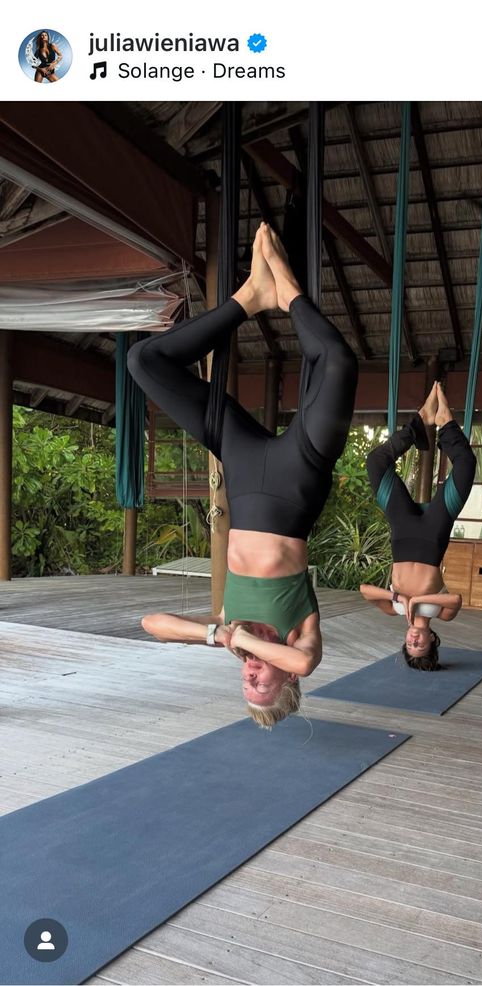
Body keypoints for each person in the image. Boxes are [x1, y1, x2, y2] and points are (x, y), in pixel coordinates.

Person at [128, 224, 358, 726]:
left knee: (145, 360)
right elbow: (303, 660)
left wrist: (219, 635)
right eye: (261, 686)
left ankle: (249, 298)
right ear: (287, 681)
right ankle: (288, 289)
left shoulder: (228, 630)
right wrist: (249, 641)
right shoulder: (299, 641)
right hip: (298, 481)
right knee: (337, 362)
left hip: (243, 466)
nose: (250, 677)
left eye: (245, 686)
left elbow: (152, 623)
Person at [360, 383, 476, 670]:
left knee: (375, 463)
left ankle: (420, 423)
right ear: (432, 639)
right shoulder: (440, 613)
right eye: (420, 644)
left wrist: (399, 598)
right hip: (432, 534)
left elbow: (365, 590)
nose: (414, 640)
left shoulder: (394, 609)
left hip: (403, 530)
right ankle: (446, 424)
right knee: (466, 466)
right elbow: (456, 599)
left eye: (410, 645)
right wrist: (419, 600)